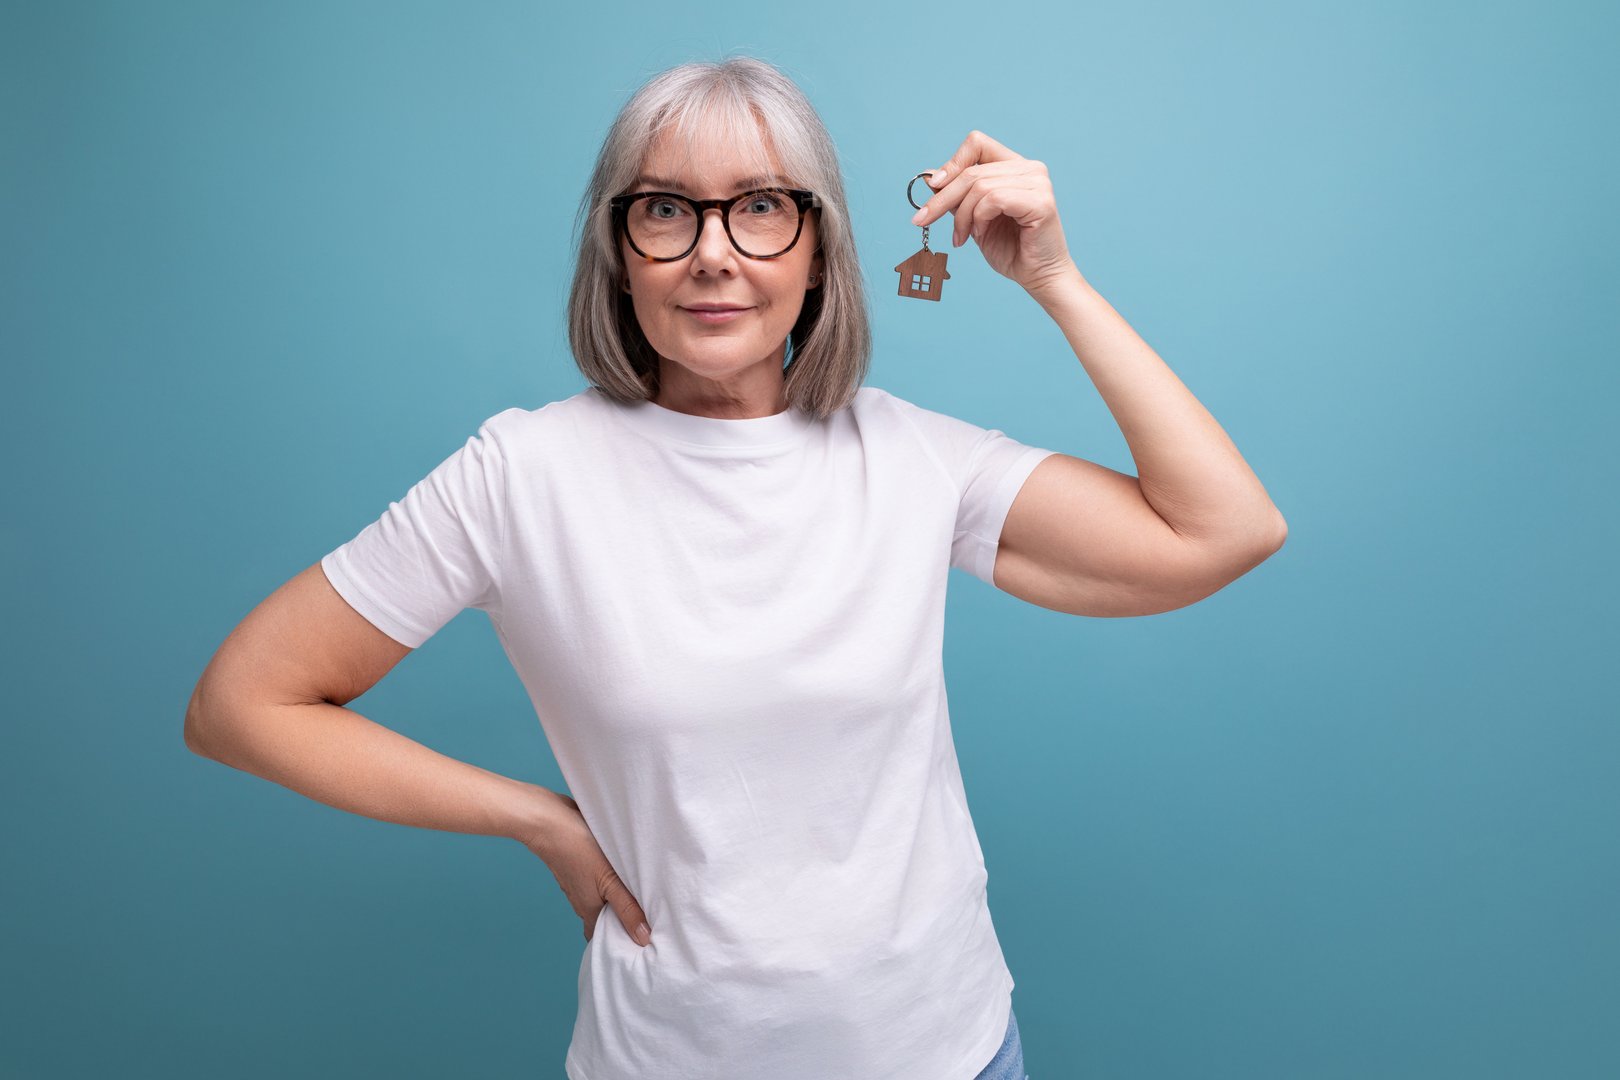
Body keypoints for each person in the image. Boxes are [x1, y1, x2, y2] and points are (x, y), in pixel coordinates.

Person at [184, 56, 1285, 1080]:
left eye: (761, 207)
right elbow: (242, 703)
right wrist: (540, 820)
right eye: (666, 209)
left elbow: (1222, 531)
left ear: (820, 250)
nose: (714, 251)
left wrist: (1056, 280)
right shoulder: (522, 473)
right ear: (620, 250)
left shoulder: (906, 454)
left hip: (953, 1053)